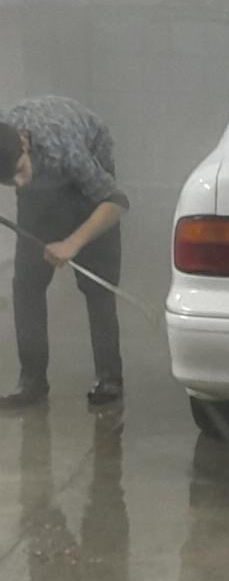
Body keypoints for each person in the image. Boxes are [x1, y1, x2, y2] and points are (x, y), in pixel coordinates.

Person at [0, 95, 129, 409]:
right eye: (9, 181)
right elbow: (19, 176)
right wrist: (21, 177)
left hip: (92, 189)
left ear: (24, 143)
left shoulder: (66, 149)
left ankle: (109, 378)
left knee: (97, 285)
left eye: (20, 170)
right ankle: (32, 381)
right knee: (27, 283)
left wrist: (72, 243)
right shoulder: (5, 140)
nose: (19, 182)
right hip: (41, 189)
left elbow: (117, 202)